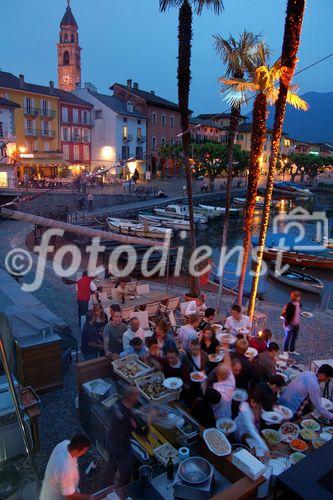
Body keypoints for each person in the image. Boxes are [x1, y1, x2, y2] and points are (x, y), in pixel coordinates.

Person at [104, 387, 143, 488]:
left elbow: (117, 412)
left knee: (112, 462)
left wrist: (136, 412)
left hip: (111, 440)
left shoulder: (118, 403)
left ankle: (106, 484)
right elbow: (141, 434)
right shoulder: (129, 419)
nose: (138, 398)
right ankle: (123, 490)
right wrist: (149, 419)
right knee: (125, 473)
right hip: (122, 448)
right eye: (137, 396)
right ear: (129, 397)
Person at [39, 434, 92, 500]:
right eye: (84, 451)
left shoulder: (65, 444)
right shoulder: (66, 469)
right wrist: (88, 498)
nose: (84, 453)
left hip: (51, 488)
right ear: (76, 450)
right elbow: (70, 496)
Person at [234, 390, 269, 458]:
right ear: (249, 399)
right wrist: (265, 448)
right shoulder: (245, 408)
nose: (255, 405)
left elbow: (263, 413)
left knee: (258, 448)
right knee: (250, 450)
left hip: (254, 431)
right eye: (253, 402)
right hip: (242, 430)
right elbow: (250, 429)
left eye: (257, 403)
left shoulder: (259, 406)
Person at [212, 344, 236, 419]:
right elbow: (228, 362)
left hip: (217, 416)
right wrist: (225, 348)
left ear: (217, 375)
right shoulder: (232, 381)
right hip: (228, 413)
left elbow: (212, 405)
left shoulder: (216, 390)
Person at [282, 291, 302, 355]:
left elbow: (297, 312)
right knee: (288, 337)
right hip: (290, 324)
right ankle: (285, 350)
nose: (299, 298)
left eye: (299, 296)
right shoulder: (290, 305)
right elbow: (286, 315)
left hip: (296, 324)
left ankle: (292, 350)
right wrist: (286, 325)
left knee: (294, 338)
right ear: (294, 297)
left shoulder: (300, 304)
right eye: (298, 296)